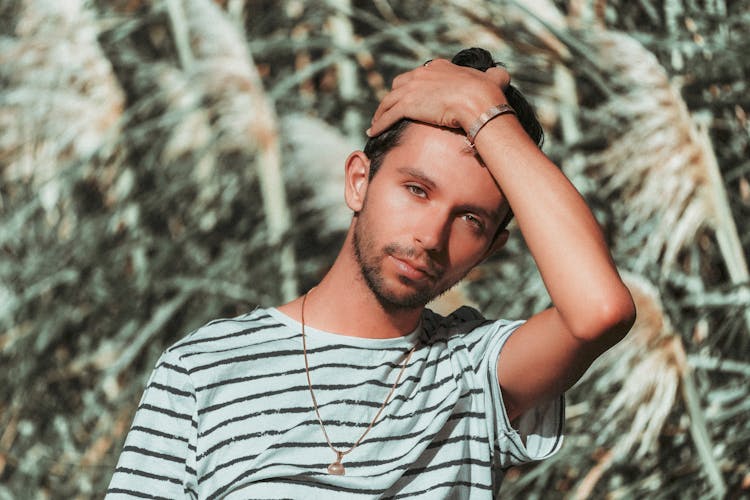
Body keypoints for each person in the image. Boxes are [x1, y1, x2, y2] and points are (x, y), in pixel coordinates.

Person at [106, 47, 635, 499]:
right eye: (416, 190)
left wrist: (483, 111)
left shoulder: (473, 372)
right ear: (359, 181)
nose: (430, 236)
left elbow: (600, 311)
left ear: (493, 246)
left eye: (469, 219)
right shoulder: (203, 368)